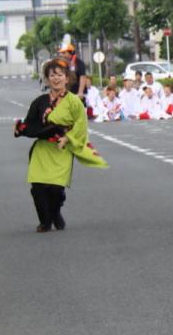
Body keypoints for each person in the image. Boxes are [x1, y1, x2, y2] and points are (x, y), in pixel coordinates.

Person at [12, 56, 107, 232]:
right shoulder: (39, 102)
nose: (56, 78)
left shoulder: (74, 102)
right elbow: (30, 123)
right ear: (47, 79)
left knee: (56, 189)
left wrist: (68, 137)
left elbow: (81, 124)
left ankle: (55, 213)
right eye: (52, 75)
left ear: (67, 78)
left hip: (61, 149)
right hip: (42, 150)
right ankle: (45, 221)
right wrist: (21, 128)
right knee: (38, 188)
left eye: (59, 75)